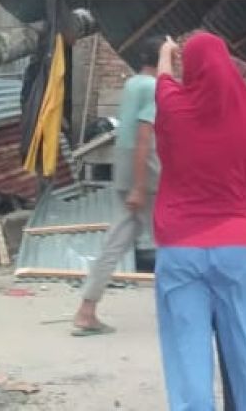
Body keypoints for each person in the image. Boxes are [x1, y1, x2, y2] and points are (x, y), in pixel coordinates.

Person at [153, 32, 246, 411]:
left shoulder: (174, 108)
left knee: (187, 358)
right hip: (240, 250)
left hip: (180, 250)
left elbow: (163, 82)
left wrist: (167, 54)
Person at [72, 37, 164, 335]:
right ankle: (182, 312)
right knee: (172, 239)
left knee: (117, 240)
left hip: (124, 164)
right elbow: (144, 136)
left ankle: (86, 309)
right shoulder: (153, 88)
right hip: (144, 167)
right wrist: (140, 184)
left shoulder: (133, 83)